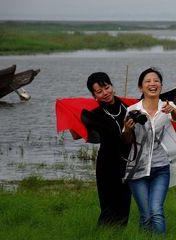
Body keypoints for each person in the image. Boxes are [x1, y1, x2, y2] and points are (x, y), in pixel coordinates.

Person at [124, 67, 176, 234]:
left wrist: (174, 110)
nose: (152, 84)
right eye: (147, 81)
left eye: (156, 81)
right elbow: (127, 141)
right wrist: (127, 130)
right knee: (146, 215)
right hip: (137, 170)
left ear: (161, 86)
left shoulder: (167, 106)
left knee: (156, 212)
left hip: (161, 169)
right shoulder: (132, 110)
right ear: (141, 87)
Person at [70, 72, 132, 226]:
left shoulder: (128, 107)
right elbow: (77, 135)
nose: (105, 93)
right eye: (99, 91)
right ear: (94, 96)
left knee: (124, 206)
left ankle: (119, 236)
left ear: (112, 87)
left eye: (107, 87)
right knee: (108, 207)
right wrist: (72, 118)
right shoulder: (94, 114)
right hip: (106, 165)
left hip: (127, 163)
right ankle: (103, 234)